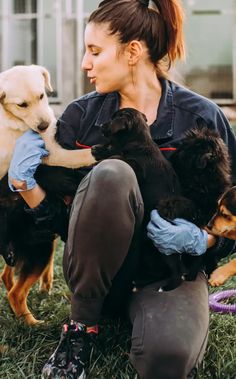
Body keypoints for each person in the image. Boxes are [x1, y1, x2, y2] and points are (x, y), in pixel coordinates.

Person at [8, 0, 236, 378]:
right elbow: (69, 227)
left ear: (133, 52)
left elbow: (234, 212)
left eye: (95, 51)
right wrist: (26, 184)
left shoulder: (202, 118)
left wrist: (203, 241)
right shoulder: (80, 118)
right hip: (101, 278)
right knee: (113, 173)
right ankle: (81, 328)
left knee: (168, 359)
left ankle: (154, 321)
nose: (85, 63)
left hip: (168, 276)